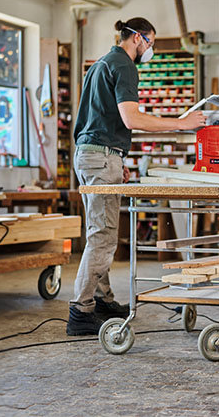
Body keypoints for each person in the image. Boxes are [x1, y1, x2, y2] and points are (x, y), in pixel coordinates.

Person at [67, 17, 206, 336]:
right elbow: (131, 119)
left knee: (97, 230)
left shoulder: (101, 63)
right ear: (138, 38)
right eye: (151, 42)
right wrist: (181, 123)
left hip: (93, 154)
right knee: (102, 235)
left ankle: (102, 301)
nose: (151, 49)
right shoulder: (126, 66)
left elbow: (102, 117)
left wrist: (116, 156)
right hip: (100, 156)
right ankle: (81, 310)